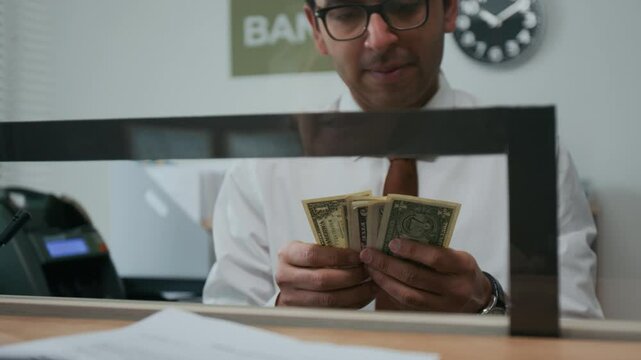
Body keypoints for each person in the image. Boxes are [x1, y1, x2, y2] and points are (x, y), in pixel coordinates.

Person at [203, 0, 603, 317]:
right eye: (345, 13)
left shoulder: (530, 154)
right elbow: (221, 330)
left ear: (449, 8)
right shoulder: (261, 169)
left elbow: (576, 332)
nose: (379, 38)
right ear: (318, 30)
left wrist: (490, 304)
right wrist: (282, 311)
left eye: (404, 5)